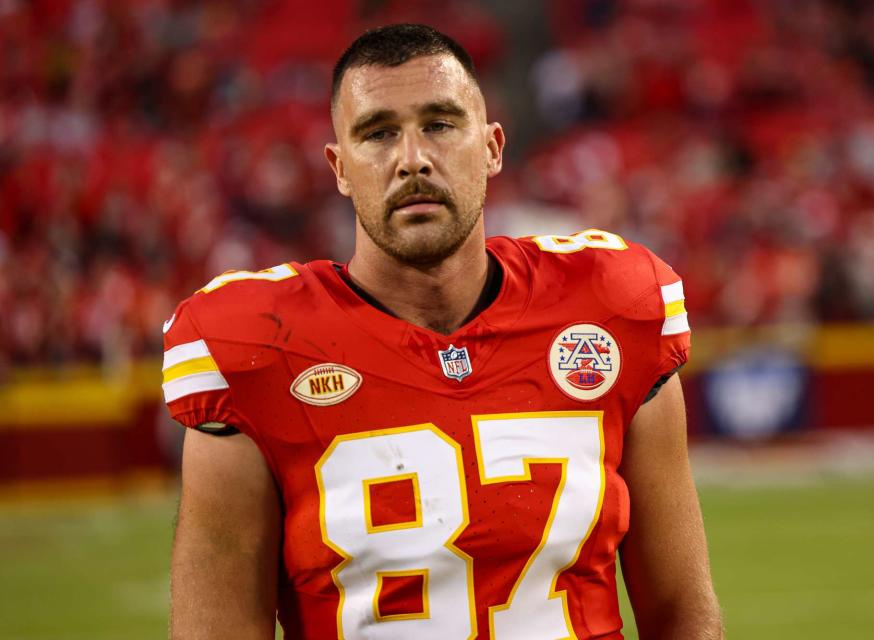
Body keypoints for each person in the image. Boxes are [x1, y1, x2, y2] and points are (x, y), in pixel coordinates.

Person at [164, 23, 722, 640]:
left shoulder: (614, 306)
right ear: (339, 167)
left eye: (440, 123)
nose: (413, 160)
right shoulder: (257, 348)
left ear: (492, 147)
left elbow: (680, 611)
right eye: (378, 133)